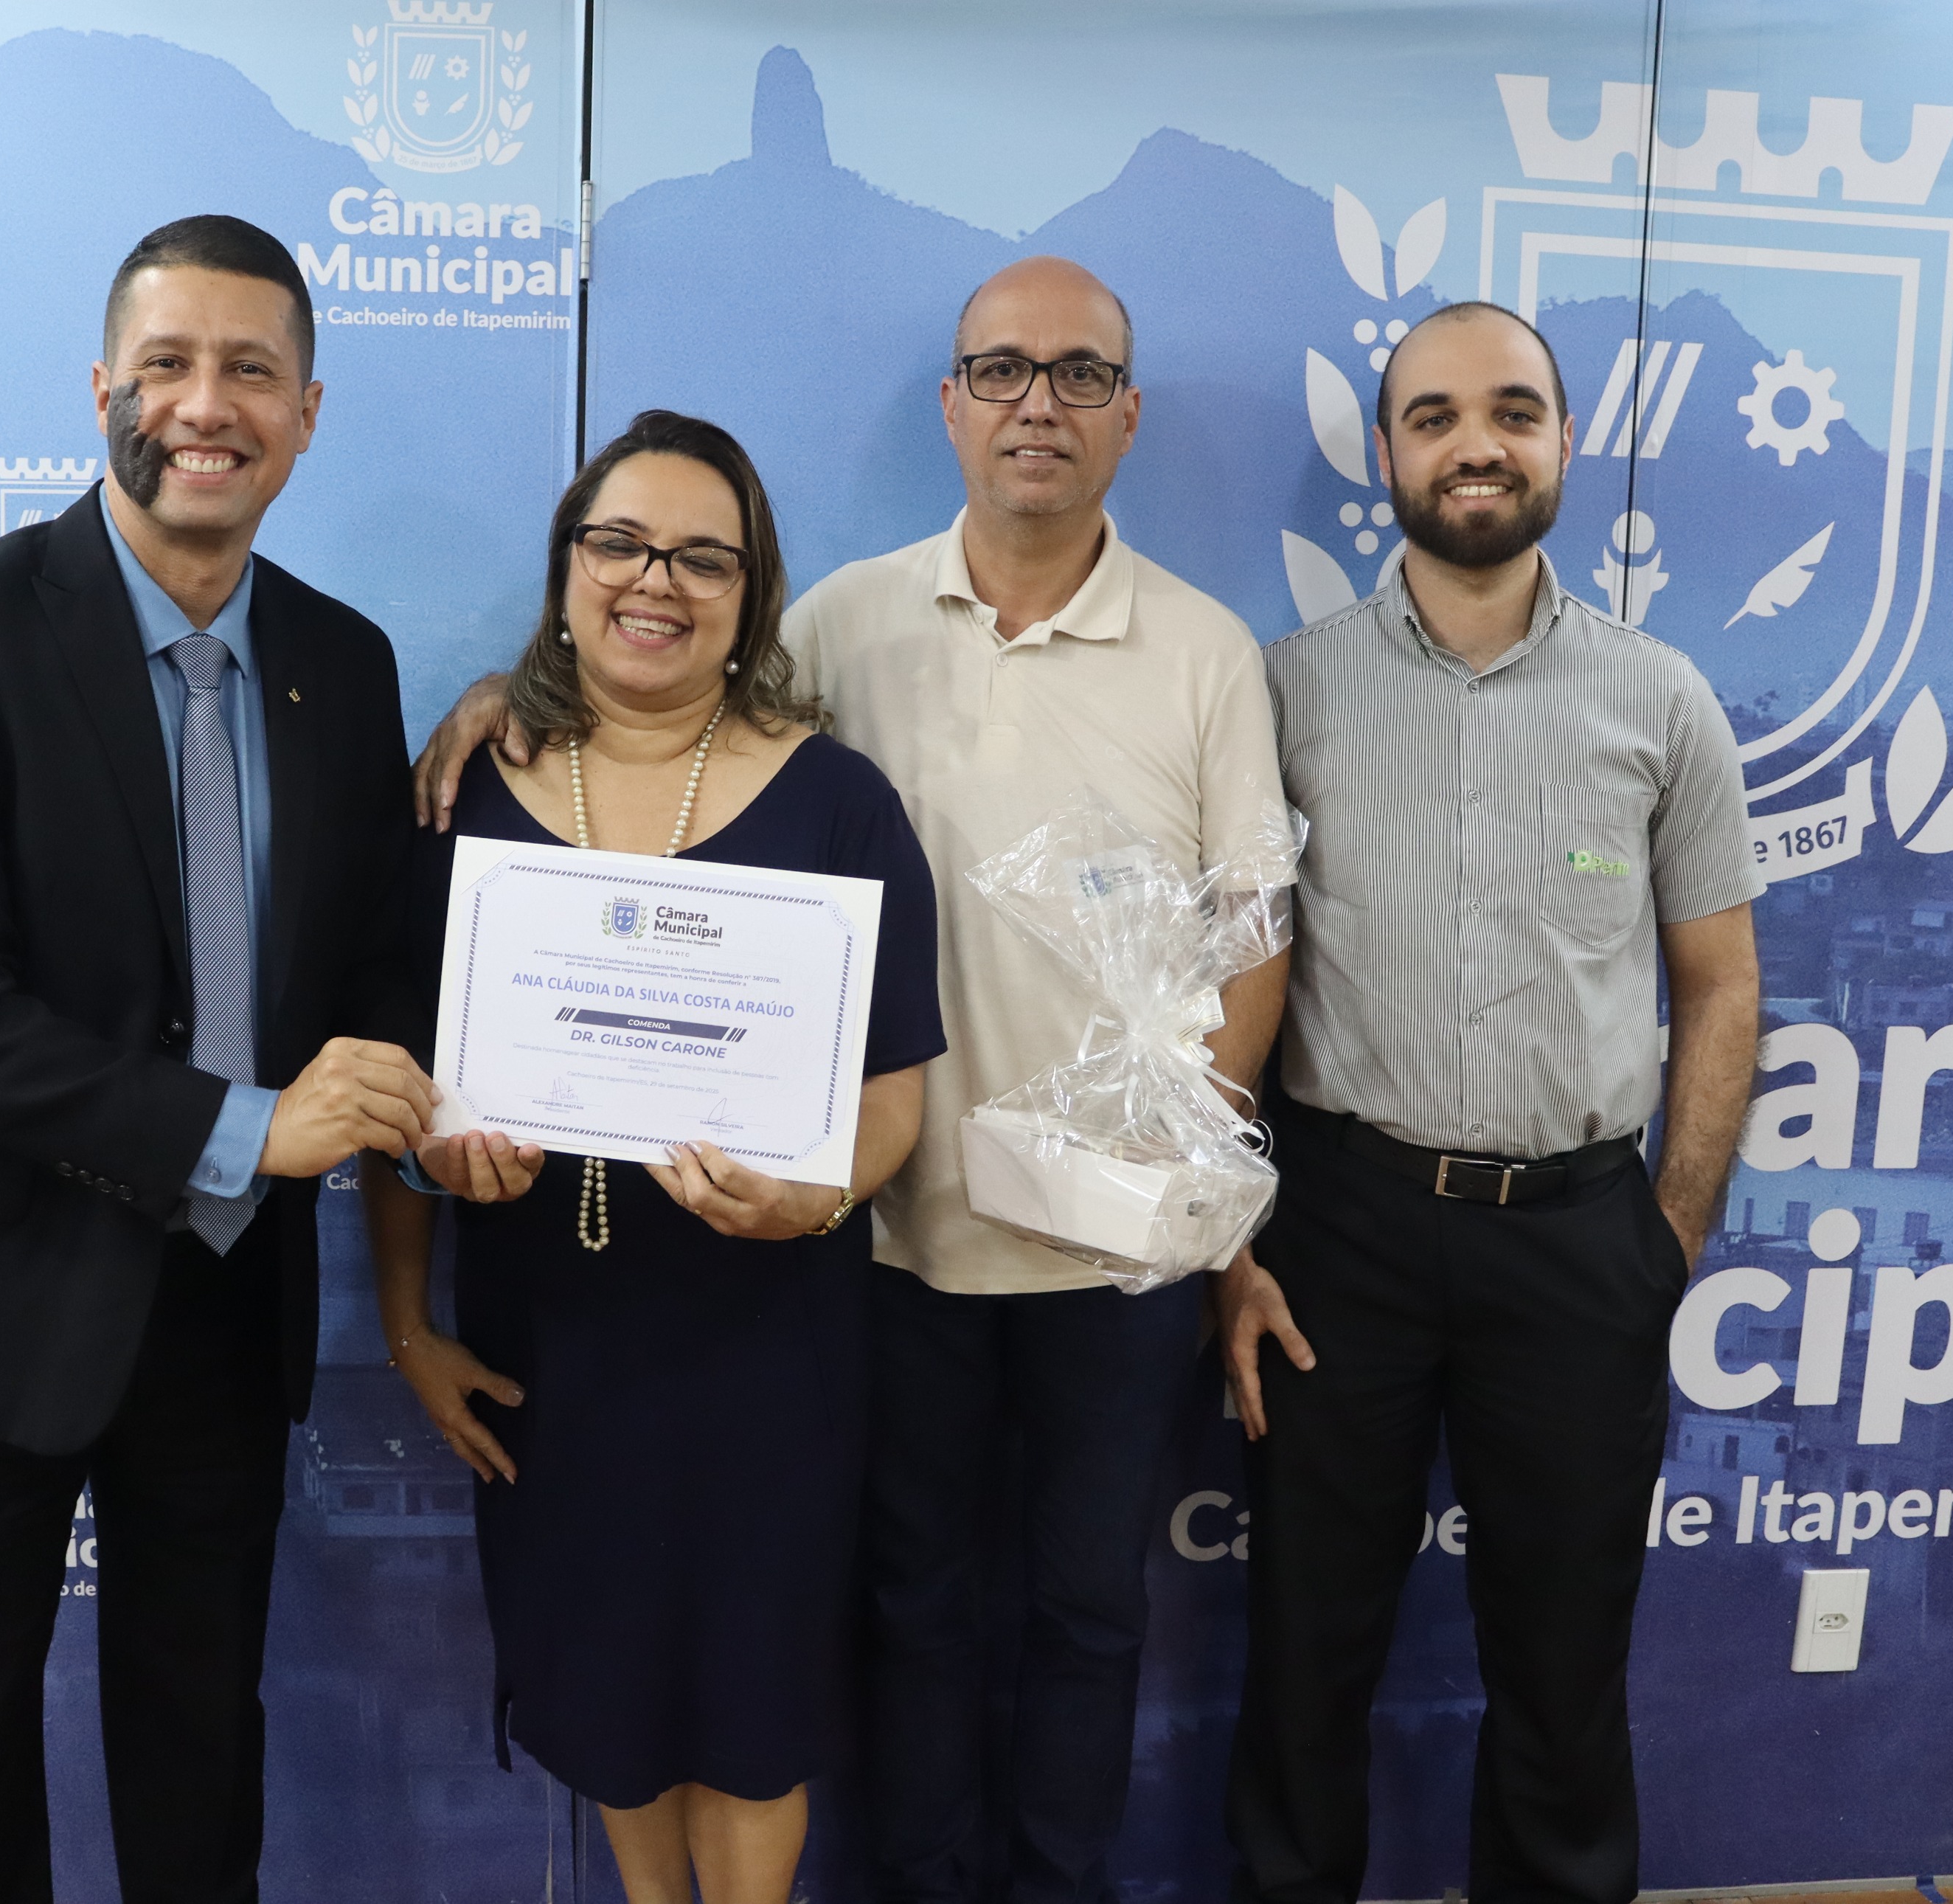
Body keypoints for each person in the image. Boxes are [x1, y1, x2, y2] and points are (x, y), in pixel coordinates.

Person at [414, 258, 1295, 1903]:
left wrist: (1194, 1205)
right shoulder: (841, 620)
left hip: (1113, 1251)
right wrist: (499, 698)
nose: (1038, 404)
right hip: (885, 1246)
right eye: (1003, 370)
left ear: (1127, 415)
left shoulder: (1203, 650)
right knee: (908, 1613)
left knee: (1091, 1613)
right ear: (953, 404)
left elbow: (1254, 945)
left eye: (1081, 375)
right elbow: (657, 691)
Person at [0, 215, 443, 1902]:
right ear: (102, 390)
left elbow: (373, 971)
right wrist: (245, 1129)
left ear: (307, 413)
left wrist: (434, 1097)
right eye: (167, 364)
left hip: (220, 1309)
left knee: (200, 1755)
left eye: (250, 370)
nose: (204, 404)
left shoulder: (345, 663)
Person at [1215, 300, 1764, 1904]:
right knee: (1305, 1651)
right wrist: (1229, 1237)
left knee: (1564, 1665)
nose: (1478, 445)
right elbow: (1219, 977)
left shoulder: (1661, 699)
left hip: (1579, 1240)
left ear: (1565, 442)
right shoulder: (1280, 694)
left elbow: (1720, 986)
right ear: (1386, 453)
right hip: (1337, 1234)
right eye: (1436, 415)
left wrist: (1662, 1240)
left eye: (1514, 412)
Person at [366, 409, 946, 1904]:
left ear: (752, 595)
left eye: (703, 558)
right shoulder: (461, 797)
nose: (655, 581)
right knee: (610, 1710)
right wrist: (410, 1323)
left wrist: (819, 1193)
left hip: (769, 1349)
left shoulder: (841, 803)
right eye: (620, 544)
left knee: (753, 1724)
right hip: (553, 1350)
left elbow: (896, 1090)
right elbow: (392, 1089)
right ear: (567, 568)